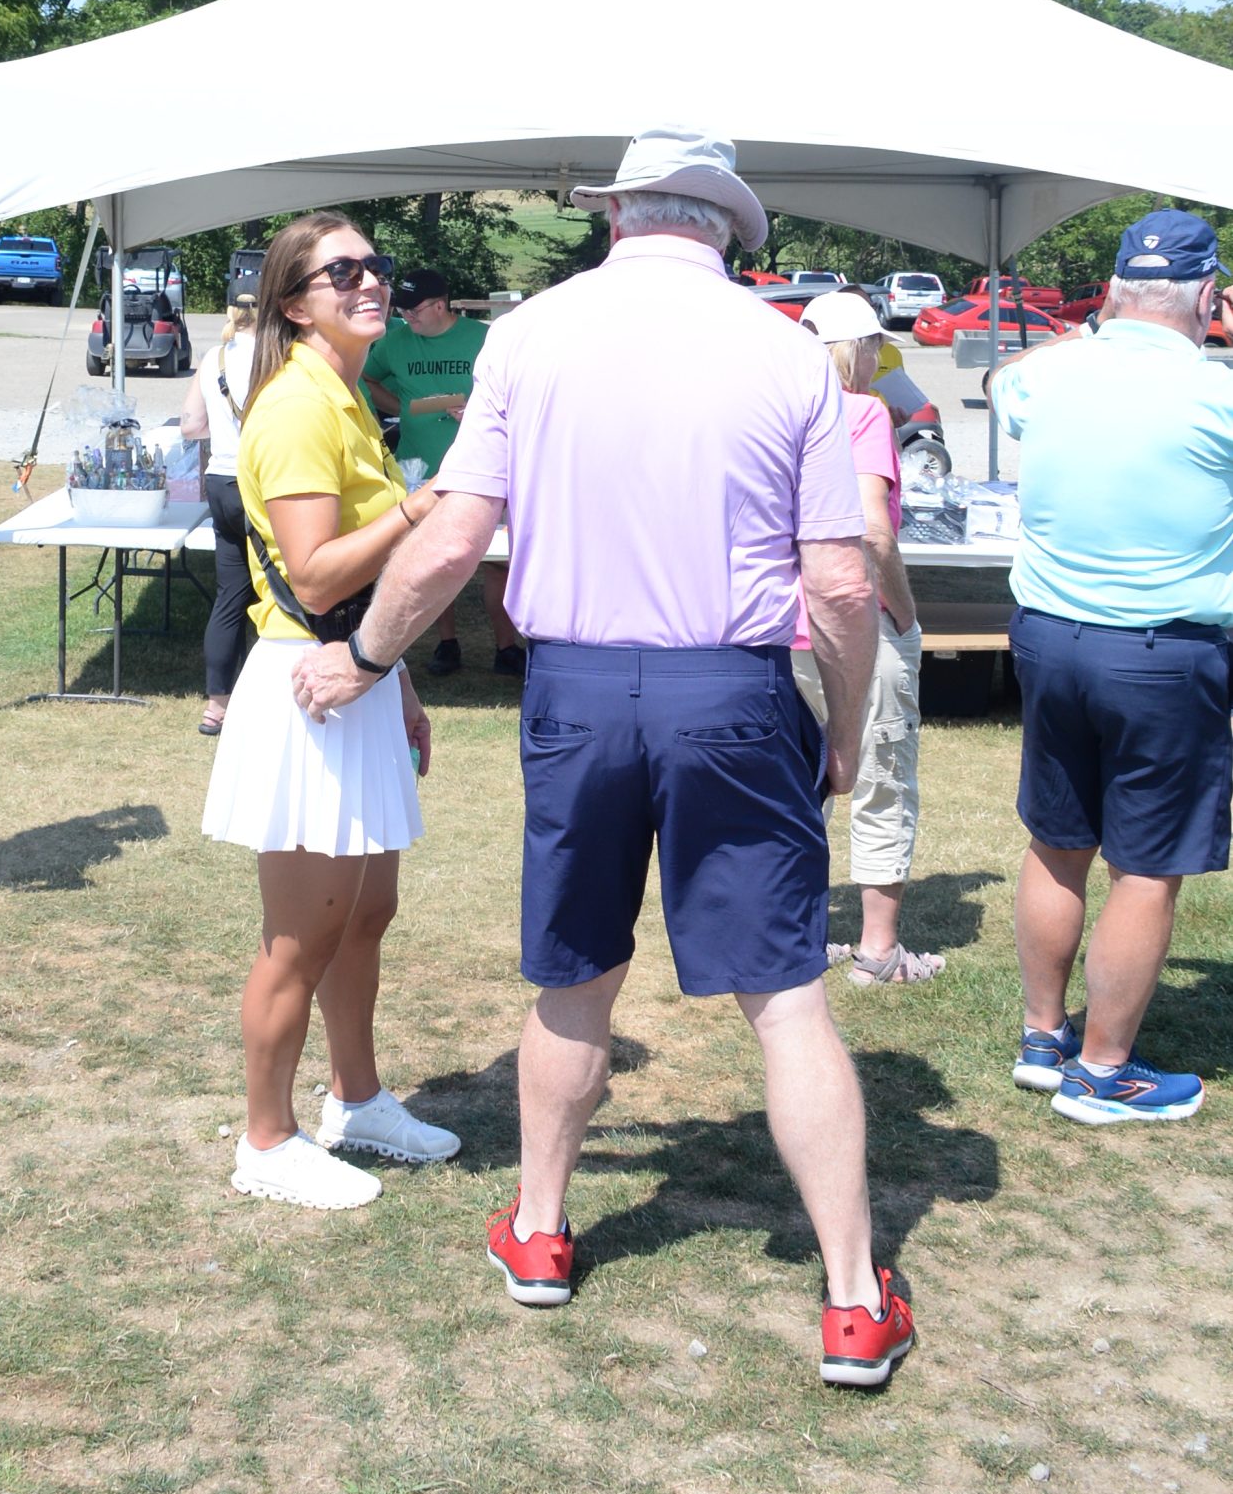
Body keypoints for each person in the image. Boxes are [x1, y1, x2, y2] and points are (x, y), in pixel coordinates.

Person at [293, 128, 916, 1391]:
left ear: (618, 215)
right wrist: (845, 726)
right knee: (785, 995)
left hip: (577, 690)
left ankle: (539, 1230)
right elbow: (842, 582)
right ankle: (855, 1298)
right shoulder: (785, 351)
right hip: (733, 691)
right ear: (726, 229)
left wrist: (363, 653)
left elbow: (452, 537)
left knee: (575, 976)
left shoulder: (531, 334)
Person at [202, 211, 461, 1208]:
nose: (368, 281)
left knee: (365, 917)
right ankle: (266, 1141)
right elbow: (313, 577)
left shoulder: (343, 394)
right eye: (340, 271)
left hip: (359, 678)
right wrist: (418, 506)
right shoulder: (298, 405)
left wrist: (403, 684)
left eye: (373, 265)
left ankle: (357, 1100)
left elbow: (371, 588)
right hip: (307, 686)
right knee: (300, 938)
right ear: (295, 302)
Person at [993, 208, 1233, 1125]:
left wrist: (1084, 336)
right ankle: (1101, 1072)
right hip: (1161, 650)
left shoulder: (1053, 372)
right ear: (1207, 298)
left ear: (1112, 292)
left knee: (1057, 842)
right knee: (1146, 865)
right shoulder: (1213, 394)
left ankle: (1041, 1038)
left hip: (1051, 638)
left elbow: (1001, 380)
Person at [795, 290, 938, 985]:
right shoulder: (861, 412)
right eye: (874, 346)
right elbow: (873, 530)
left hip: (782, 627)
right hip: (856, 624)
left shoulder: (774, 412)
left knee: (798, 785)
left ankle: (797, 936)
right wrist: (904, 615)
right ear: (857, 350)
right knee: (881, 777)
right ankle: (878, 952)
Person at [363, 268, 523, 676]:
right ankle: (446, 644)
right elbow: (367, 377)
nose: (406, 317)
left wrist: (480, 414)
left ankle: (506, 647)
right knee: (428, 558)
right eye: (401, 309)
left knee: (497, 562)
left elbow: (518, 391)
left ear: (440, 305)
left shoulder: (483, 338)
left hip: (484, 468)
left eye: (413, 310)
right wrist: (403, 407)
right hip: (420, 468)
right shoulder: (397, 341)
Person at [179, 290, 258, 737]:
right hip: (262, 482)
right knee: (283, 591)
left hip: (221, 481)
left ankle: (216, 706)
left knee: (230, 596)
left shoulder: (215, 357)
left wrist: (226, 434)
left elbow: (191, 425)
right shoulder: (280, 354)